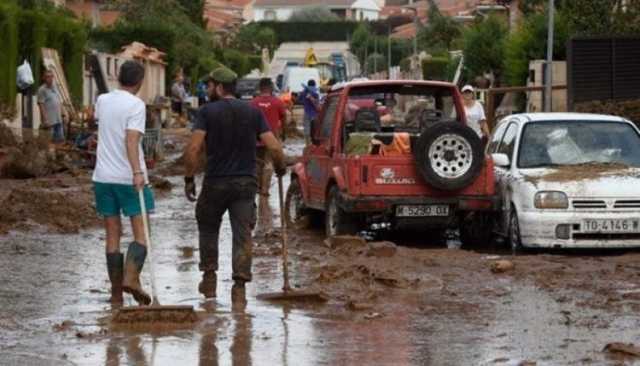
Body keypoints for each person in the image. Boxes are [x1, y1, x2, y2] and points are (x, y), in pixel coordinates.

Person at [183, 66, 286, 301]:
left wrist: (189, 178)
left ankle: (209, 279)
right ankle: (239, 288)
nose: (207, 89)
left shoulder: (206, 112)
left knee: (208, 228)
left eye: (209, 86)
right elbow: (274, 147)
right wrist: (280, 167)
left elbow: (193, 149)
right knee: (243, 234)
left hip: (215, 182)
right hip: (245, 183)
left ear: (219, 88)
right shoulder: (252, 113)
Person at [93, 60, 155, 308]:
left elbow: (102, 126)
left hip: (102, 178)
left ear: (119, 78)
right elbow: (131, 141)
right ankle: (131, 278)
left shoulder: (102, 100)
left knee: (112, 235)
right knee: (142, 233)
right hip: (128, 178)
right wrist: (137, 171)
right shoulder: (136, 105)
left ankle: (116, 295)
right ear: (139, 82)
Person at [250, 78, 289, 236]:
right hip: (271, 139)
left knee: (256, 164)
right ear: (271, 88)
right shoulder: (278, 102)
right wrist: (284, 134)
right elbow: (284, 118)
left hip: (254, 139)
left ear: (260, 88)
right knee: (268, 164)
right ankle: (264, 191)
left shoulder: (252, 103)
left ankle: (258, 188)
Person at [37, 69, 65, 143]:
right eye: (47, 77)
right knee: (48, 142)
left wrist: (63, 113)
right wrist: (45, 120)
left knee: (60, 141)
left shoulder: (55, 87)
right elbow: (41, 105)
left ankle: (57, 154)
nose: (50, 78)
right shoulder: (42, 90)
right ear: (44, 78)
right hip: (50, 122)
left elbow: (58, 100)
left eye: (51, 76)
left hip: (58, 120)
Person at [298, 79, 319, 145]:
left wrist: (305, 102)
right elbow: (317, 103)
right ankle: (315, 144)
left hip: (307, 113)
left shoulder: (303, 92)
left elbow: (299, 100)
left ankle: (308, 144)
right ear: (314, 85)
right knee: (315, 129)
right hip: (314, 114)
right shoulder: (315, 93)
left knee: (307, 129)